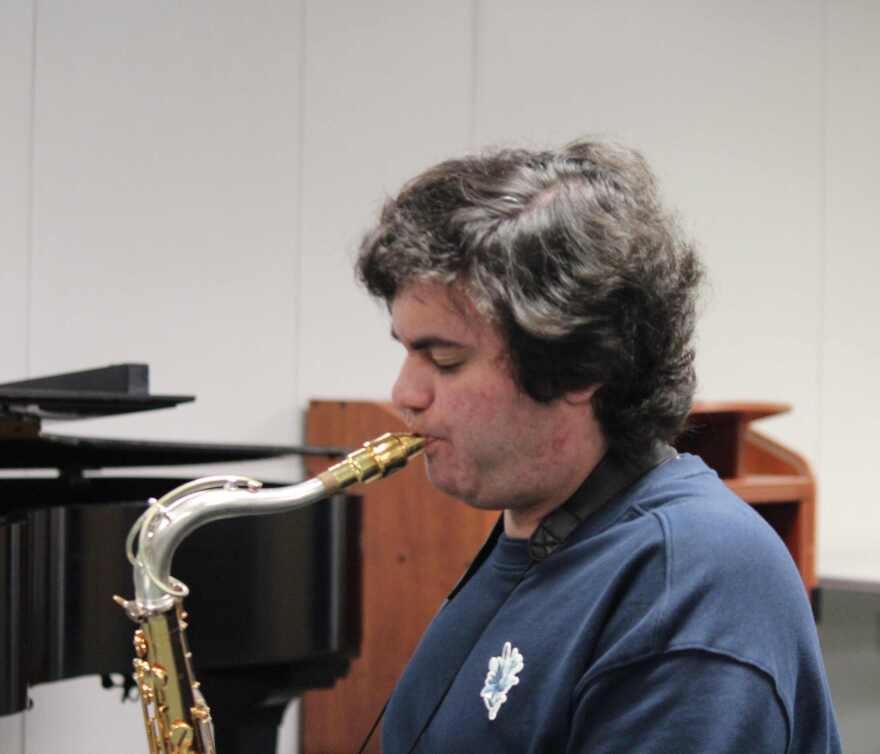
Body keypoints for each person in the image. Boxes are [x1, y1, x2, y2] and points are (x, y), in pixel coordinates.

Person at [355, 139, 841, 753]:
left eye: (445, 359)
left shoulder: (689, 581)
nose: (405, 393)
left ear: (581, 367)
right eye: (405, 349)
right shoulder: (536, 528)